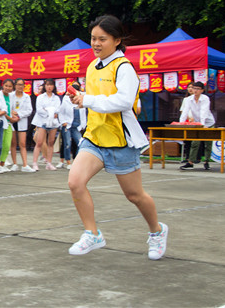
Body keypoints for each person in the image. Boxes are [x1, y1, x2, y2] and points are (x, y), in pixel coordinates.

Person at [67, 15, 168, 260]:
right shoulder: (92, 66)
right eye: (93, 38)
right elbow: (94, 99)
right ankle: (92, 234)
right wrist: (80, 100)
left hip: (121, 141)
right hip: (94, 137)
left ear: (117, 40)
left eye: (102, 39)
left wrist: (87, 99)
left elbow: (122, 102)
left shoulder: (124, 68)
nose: (96, 43)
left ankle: (157, 231)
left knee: (134, 195)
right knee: (75, 182)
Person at [179, 82, 216, 170]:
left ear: (202, 90)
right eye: (194, 88)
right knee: (195, 142)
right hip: (197, 123)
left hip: (208, 123)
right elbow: (185, 111)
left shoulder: (205, 98)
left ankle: (206, 161)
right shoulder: (189, 99)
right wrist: (181, 123)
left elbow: (204, 112)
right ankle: (190, 162)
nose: (195, 90)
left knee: (208, 143)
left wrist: (203, 125)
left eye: (197, 89)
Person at [31, 78, 60, 171]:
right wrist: (49, 113)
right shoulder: (40, 97)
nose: (49, 87)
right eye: (47, 85)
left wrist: (51, 112)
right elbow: (39, 109)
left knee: (51, 142)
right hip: (42, 121)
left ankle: (49, 163)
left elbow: (58, 109)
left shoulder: (56, 98)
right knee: (39, 142)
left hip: (53, 122)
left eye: (51, 85)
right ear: (45, 86)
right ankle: (35, 163)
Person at [9, 78, 35, 172]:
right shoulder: (10, 95)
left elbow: (29, 110)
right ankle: (15, 163)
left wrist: (19, 115)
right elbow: (7, 106)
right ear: (15, 85)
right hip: (11, 121)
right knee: (13, 143)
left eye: (22, 85)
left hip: (21, 121)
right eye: (18, 84)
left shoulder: (26, 97)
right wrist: (12, 113)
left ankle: (25, 164)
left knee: (22, 143)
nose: (20, 86)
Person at [0, 79, 16, 173]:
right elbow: (1, 110)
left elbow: (11, 109)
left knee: (7, 145)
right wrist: (10, 117)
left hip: (9, 123)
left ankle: (3, 163)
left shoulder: (11, 96)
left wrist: (14, 115)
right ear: (2, 86)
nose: (8, 88)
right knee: (0, 144)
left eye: (10, 86)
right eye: (6, 86)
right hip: (1, 122)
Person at [57, 85, 79, 170]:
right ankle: (68, 161)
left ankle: (76, 161)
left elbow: (82, 113)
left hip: (76, 125)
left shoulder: (80, 98)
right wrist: (63, 122)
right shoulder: (66, 99)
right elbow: (61, 112)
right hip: (67, 125)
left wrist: (82, 125)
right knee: (67, 144)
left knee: (79, 142)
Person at [179, 82, 195, 162]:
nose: (190, 89)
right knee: (187, 141)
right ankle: (187, 157)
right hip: (187, 122)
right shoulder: (186, 99)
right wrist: (188, 118)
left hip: (195, 122)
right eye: (189, 87)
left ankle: (195, 158)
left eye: (192, 87)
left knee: (195, 141)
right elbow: (182, 111)